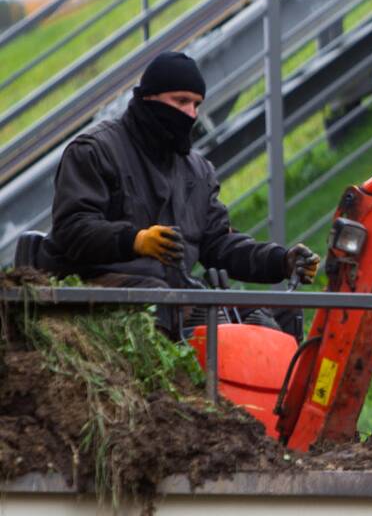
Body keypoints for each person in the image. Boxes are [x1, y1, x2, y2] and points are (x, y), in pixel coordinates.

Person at [39, 51, 319, 335]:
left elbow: (218, 243)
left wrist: (280, 261)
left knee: (279, 313)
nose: (191, 113)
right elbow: (71, 229)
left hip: (175, 291)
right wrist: (134, 241)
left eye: (196, 104)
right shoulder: (95, 151)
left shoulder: (197, 172)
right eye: (181, 101)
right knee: (164, 298)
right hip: (101, 285)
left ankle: (284, 379)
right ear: (149, 98)